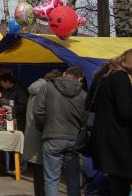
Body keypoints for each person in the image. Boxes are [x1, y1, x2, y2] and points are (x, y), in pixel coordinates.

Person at [33, 66, 86, 196]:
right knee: (73, 181)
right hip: (73, 139)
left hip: (52, 137)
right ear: (80, 79)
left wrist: (44, 128)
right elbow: (86, 119)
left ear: (64, 74)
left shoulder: (47, 87)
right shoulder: (83, 94)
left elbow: (38, 111)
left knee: (51, 180)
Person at [88, 50, 132, 196]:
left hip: (104, 140)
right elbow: (125, 112)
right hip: (120, 142)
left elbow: (89, 104)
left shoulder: (102, 75)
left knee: (116, 185)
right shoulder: (121, 78)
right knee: (121, 187)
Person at [23, 70, 62, 196]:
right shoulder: (45, 93)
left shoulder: (35, 91)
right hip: (43, 136)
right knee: (48, 175)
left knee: (39, 174)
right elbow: (41, 115)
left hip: (34, 136)